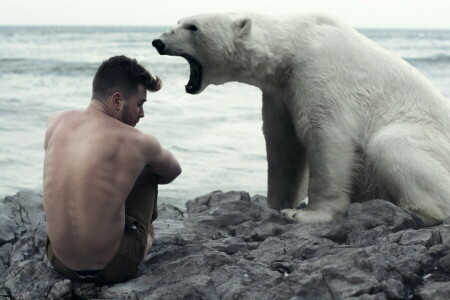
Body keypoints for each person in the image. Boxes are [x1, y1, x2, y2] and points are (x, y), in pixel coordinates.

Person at [43, 55, 181, 284]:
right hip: (112, 267)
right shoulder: (137, 141)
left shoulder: (56, 121)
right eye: (140, 104)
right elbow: (172, 171)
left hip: (58, 261)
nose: (142, 114)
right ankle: (145, 238)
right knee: (149, 167)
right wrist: (138, 163)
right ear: (117, 101)